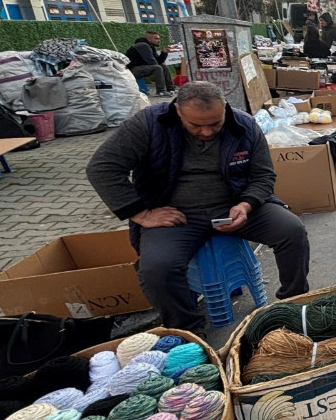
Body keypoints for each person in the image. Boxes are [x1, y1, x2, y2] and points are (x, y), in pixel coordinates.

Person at [86, 82, 310, 329]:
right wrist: (142, 213)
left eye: (215, 124)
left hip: (233, 205)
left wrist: (246, 204)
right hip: (176, 215)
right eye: (195, 125)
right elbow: (102, 168)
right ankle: (188, 330)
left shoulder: (243, 125)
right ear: (177, 111)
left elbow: (263, 175)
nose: (206, 132)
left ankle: (293, 301)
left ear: (225, 109)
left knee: (292, 231)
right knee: (157, 269)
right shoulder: (149, 123)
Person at [126, 30, 172, 97]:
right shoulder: (143, 45)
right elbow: (152, 62)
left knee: (163, 66)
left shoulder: (149, 46)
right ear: (149, 39)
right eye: (156, 38)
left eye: (159, 38)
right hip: (133, 70)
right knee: (158, 67)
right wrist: (158, 64)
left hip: (141, 67)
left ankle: (171, 89)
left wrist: (164, 53)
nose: (159, 40)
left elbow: (158, 61)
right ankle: (161, 91)